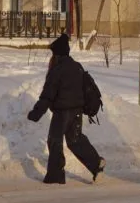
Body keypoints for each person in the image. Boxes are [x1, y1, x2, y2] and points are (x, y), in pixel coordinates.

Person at [26, 33, 105, 184]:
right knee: (75, 141)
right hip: (76, 111)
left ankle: (56, 175)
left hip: (62, 113)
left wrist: (36, 114)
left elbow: (47, 96)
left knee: (54, 141)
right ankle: (96, 164)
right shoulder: (76, 66)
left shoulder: (57, 70)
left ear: (57, 54)